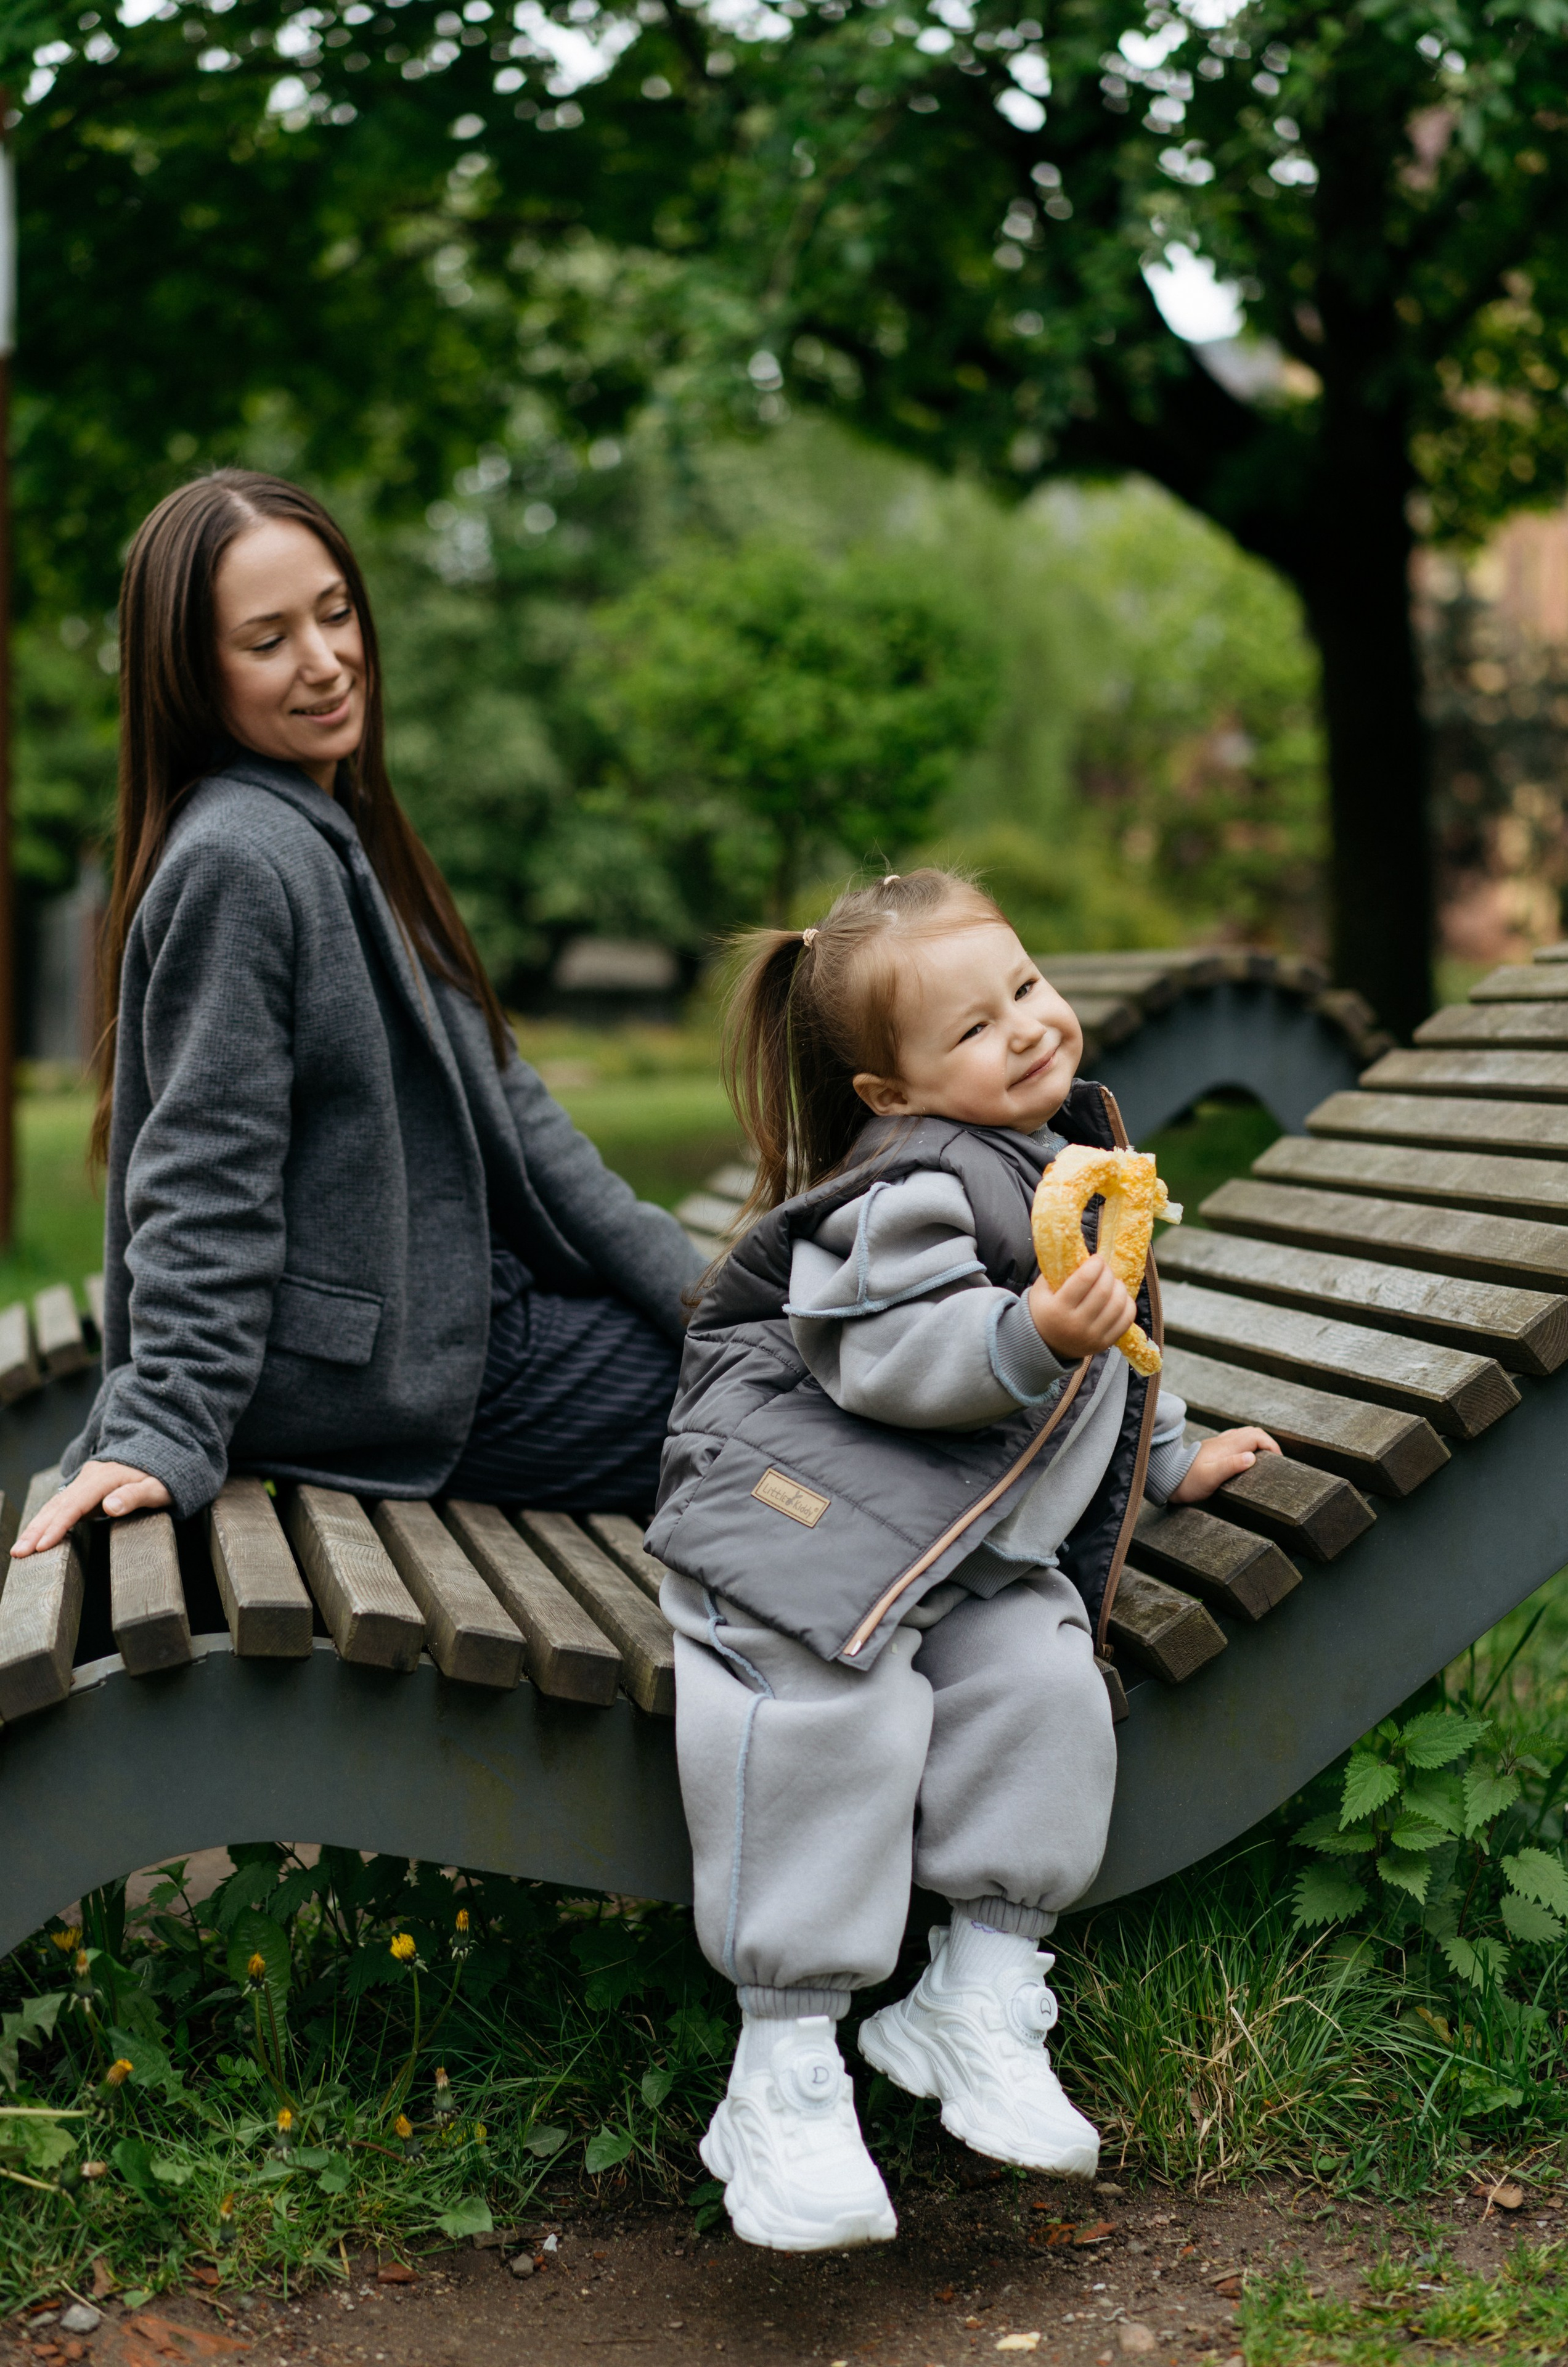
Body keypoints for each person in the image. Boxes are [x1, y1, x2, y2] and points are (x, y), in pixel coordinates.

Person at [647, 869, 1277, 2253]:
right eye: (975, 1030)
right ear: (891, 1092)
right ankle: (783, 2065)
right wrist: (1024, 1339)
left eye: (1026, 989)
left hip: (956, 1557)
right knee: (832, 1715)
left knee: (1045, 1689)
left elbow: (1106, 1347)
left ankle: (976, 1990)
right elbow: (890, 1358)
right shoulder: (912, 1185)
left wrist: (1170, 1455)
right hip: (800, 1537)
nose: (1026, 1029)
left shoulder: (1059, 1155)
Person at [12, 470, 703, 1564]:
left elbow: (516, 1112)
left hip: (462, 1320)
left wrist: (703, 1292)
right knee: (800, 1415)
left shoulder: (334, 821)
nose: (326, 661)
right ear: (193, 674)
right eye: (268, 639)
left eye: (335, 614)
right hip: (403, 1374)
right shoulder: (241, 860)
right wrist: (170, 1420)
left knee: (791, 1360)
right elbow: (205, 1169)